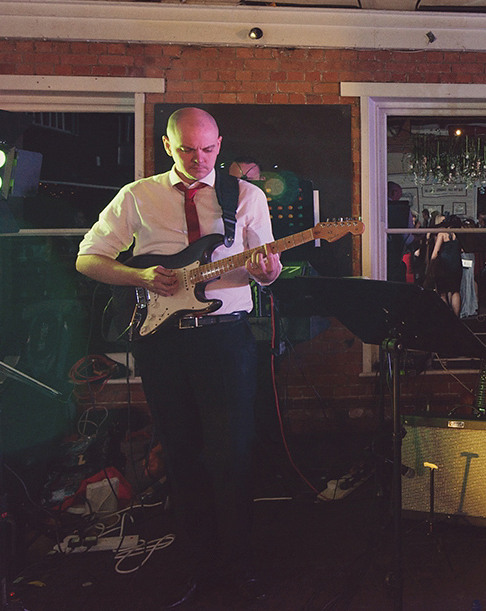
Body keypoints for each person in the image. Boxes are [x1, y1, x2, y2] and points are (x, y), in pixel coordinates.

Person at [75, 107, 281, 607]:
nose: (198, 158)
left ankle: (239, 563)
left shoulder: (246, 196)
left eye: (208, 149)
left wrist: (267, 269)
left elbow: (267, 270)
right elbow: (88, 257)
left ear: (220, 144)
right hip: (162, 341)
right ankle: (199, 565)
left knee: (232, 454)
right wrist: (142, 277)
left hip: (225, 338)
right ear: (167, 146)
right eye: (187, 149)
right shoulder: (138, 196)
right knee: (181, 454)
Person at [427, 214, 463, 315]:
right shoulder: (460, 234)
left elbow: (435, 252)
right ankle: (456, 317)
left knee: (442, 291)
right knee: (455, 290)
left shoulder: (442, 234)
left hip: (444, 263)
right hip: (456, 262)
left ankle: (446, 315)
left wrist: (430, 266)